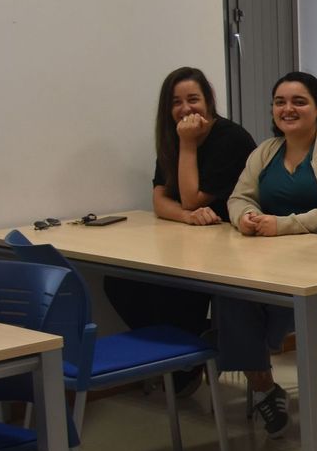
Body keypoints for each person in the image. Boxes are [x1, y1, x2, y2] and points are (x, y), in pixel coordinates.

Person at [103, 67, 257, 395]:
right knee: (119, 281)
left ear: (209, 102)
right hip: (190, 240)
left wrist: (188, 146)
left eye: (193, 100)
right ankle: (188, 352)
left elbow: (190, 197)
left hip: (232, 245)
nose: (186, 109)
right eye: (176, 102)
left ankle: (187, 364)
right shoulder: (172, 136)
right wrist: (186, 218)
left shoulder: (231, 138)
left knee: (180, 289)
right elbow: (161, 198)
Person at [215, 71, 317, 435]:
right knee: (229, 290)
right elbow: (239, 196)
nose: (288, 109)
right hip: (271, 258)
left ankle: (243, 344)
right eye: (280, 102)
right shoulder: (265, 151)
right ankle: (263, 386)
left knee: (257, 298)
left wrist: (281, 225)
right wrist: (245, 218)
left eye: (299, 101)